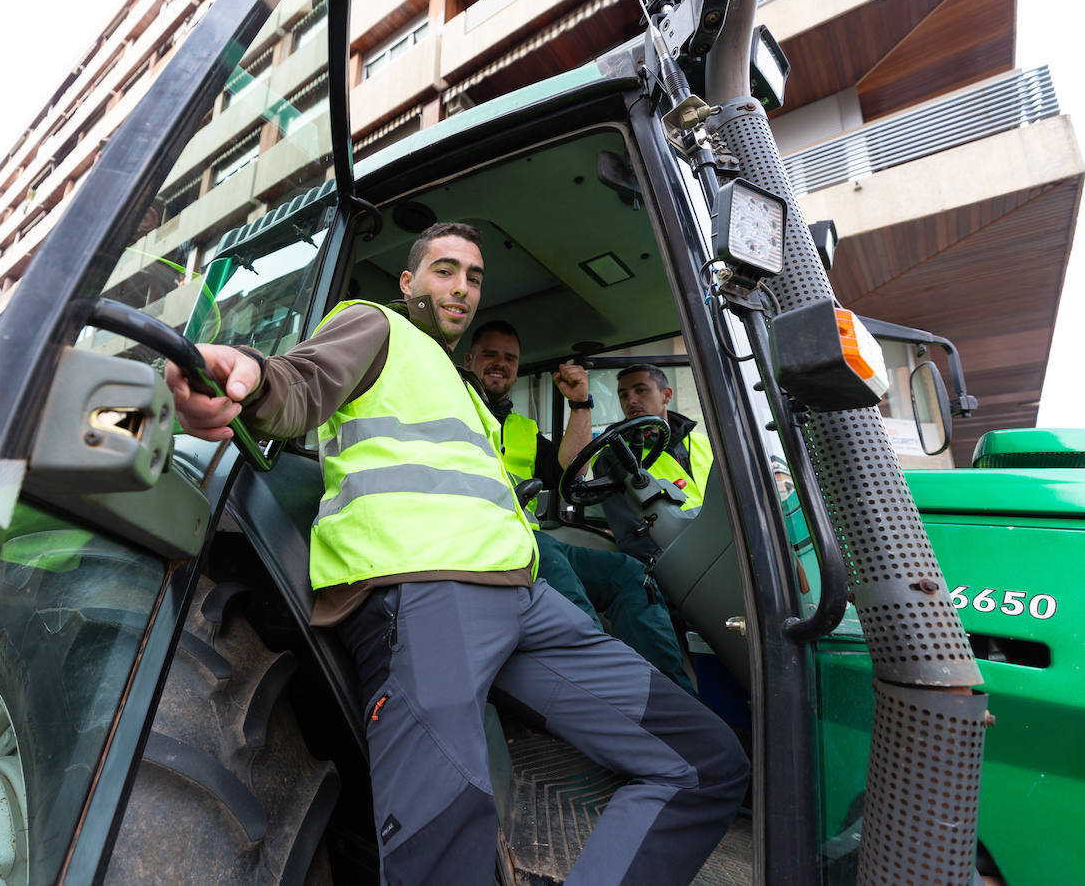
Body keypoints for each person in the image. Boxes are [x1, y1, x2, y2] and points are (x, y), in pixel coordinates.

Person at [166, 222, 747, 884]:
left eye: (474, 277)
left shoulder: (469, 394)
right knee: (445, 858)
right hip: (425, 596)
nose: (462, 287)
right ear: (409, 283)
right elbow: (302, 383)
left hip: (524, 599)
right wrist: (253, 379)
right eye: (445, 270)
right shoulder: (373, 325)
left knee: (705, 763)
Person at [465, 320, 693, 692]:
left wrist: (580, 403)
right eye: (490, 354)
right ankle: (603, 694)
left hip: (527, 539)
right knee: (561, 576)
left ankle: (671, 694)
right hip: (480, 539)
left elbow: (572, 470)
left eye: (509, 358)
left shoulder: (522, 428)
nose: (500, 364)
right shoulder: (453, 407)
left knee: (630, 575)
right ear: (470, 359)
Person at [617, 363, 713, 510]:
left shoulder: (702, 441)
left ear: (667, 395)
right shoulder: (617, 454)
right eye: (623, 395)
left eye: (641, 390)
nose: (630, 401)